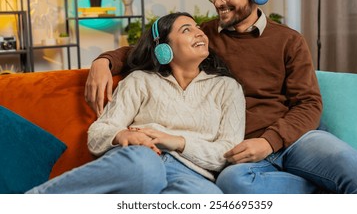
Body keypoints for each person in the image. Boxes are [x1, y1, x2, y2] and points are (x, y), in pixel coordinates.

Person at [85, 0, 357, 194]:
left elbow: (309, 104)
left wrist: (269, 141)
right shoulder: (205, 37)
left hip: (296, 141)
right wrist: (105, 61)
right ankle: (316, 191)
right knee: (233, 184)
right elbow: (154, 45)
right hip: (239, 151)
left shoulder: (289, 40)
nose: (218, 2)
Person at [26, 12, 245, 194]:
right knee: (145, 168)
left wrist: (176, 141)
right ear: (163, 48)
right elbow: (98, 132)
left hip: (191, 174)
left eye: (198, 27)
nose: (199, 32)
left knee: (211, 199)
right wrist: (123, 135)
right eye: (186, 29)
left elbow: (228, 152)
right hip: (141, 160)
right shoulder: (140, 80)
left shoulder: (227, 88)